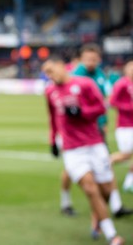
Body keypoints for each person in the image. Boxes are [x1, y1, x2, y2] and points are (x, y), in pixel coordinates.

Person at [43, 56, 124, 245]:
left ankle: (97, 216)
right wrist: (53, 140)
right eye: (46, 73)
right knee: (89, 187)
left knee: (105, 189)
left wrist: (82, 112)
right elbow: (53, 117)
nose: (50, 76)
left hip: (94, 144)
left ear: (63, 67)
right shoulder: (50, 91)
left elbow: (101, 107)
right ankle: (112, 235)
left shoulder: (85, 84)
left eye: (51, 71)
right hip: (72, 149)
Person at [109, 60, 133, 193]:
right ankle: (107, 162)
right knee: (126, 155)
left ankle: (129, 181)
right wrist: (129, 108)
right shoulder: (122, 83)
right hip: (125, 126)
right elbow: (112, 102)